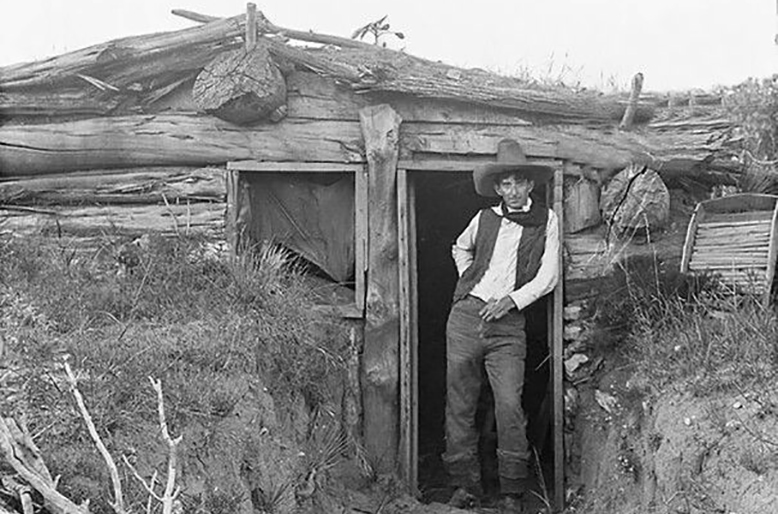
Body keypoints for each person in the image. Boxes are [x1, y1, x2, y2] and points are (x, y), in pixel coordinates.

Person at [443, 139, 559, 512]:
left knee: (509, 403)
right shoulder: (484, 218)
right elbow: (459, 247)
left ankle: (511, 491)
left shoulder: (546, 220)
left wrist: (511, 300)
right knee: (460, 401)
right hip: (466, 317)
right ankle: (466, 487)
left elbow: (549, 276)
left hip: (508, 324)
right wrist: (470, 281)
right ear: (497, 188)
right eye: (505, 183)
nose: (512, 190)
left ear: (530, 185)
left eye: (518, 182)